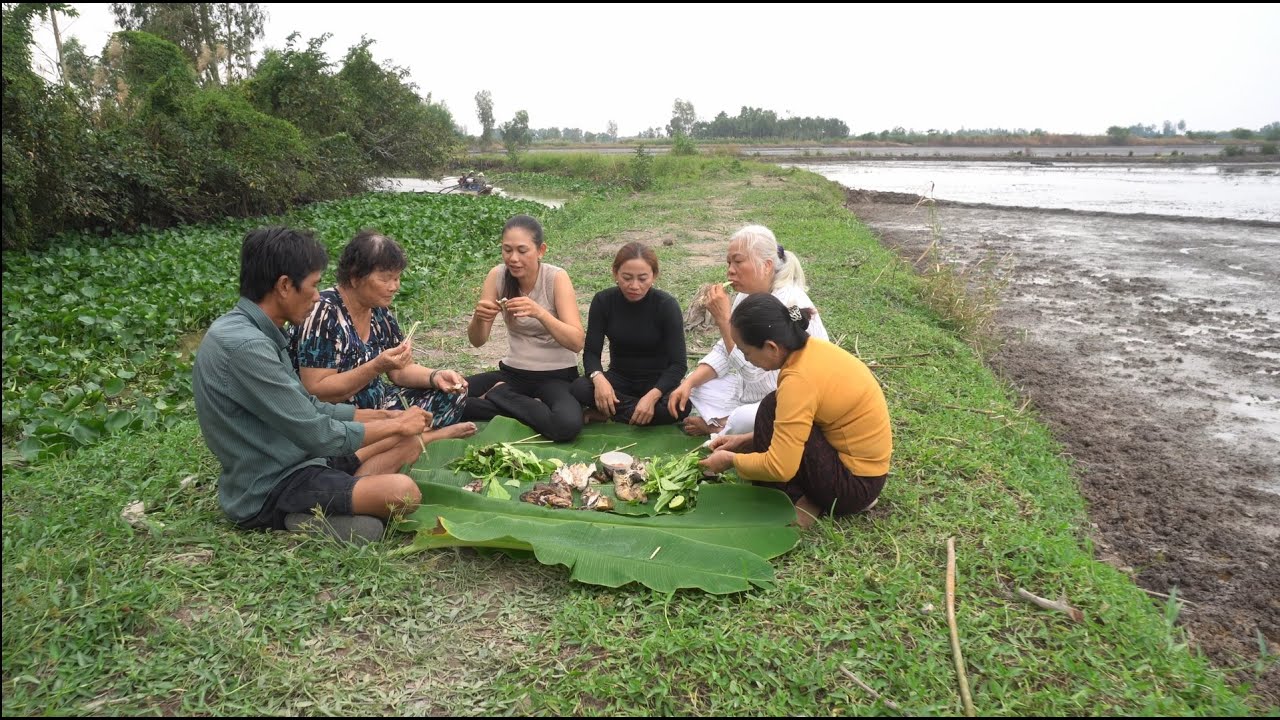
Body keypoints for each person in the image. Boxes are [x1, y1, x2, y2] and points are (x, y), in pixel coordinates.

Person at [194, 227, 431, 544]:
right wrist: (397, 425)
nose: (319, 296)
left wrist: (383, 419)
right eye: (314, 285)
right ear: (284, 286)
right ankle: (315, 512)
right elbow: (317, 432)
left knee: (410, 443)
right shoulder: (245, 347)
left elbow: (310, 407)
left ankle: (345, 501)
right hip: (275, 482)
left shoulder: (257, 332)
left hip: (304, 456)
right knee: (403, 493)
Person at [698, 293, 891, 528]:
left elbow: (780, 467)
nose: (748, 361)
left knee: (771, 407)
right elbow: (803, 425)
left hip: (853, 487)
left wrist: (731, 460)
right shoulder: (811, 350)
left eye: (747, 352)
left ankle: (799, 500)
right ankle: (809, 497)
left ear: (771, 347)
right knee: (773, 405)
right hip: (866, 474)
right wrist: (745, 441)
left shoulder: (798, 380)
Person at [289, 230, 476, 442]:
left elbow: (401, 371)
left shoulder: (378, 310)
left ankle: (402, 437)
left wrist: (435, 376)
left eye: (397, 278)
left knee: (452, 396)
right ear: (355, 277)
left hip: (379, 405)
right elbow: (317, 390)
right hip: (338, 415)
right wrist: (376, 367)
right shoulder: (323, 313)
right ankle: (420, 438)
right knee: (354, 432)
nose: (395, 287)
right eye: (386, 279)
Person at [667, 224, 829, 436]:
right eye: (729, 262)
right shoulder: (746, 295)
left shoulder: (789, 303)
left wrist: (724, 320)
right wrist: (688, 383)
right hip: (752, 391)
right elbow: (725, 348)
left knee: (747, 418)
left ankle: (724, 427)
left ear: (767, 265)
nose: (730, 270)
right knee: (697, 387)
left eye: (738, 261)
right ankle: (728, 423)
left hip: (787, 395)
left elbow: (755, 371)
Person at [464, 214, 586, 441]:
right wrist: (479, 318)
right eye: (507, 250)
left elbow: (576, 341)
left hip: (556, 376)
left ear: (541, 250)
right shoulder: (497, 275)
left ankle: (499, 396)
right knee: (448, 397)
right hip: (513, 373)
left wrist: (540, 313)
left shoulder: (556, 278)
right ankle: (529, 408)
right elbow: (477, 340)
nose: (513, 258)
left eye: (522, 250)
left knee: (566, 425)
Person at [569, 242, 688, 425]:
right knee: (579, 387)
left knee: (680, 406)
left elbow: (678, 365)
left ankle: (609, 412)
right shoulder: (603, 301)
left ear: (654, 276)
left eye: (642, 278)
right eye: (627, 278)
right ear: (615, 273)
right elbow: (592, 353)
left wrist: (652, 396)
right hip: (619, 379)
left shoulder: (666, 305)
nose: (634, 286)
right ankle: (638, 414)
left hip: (656, 381)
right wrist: (599, 379)